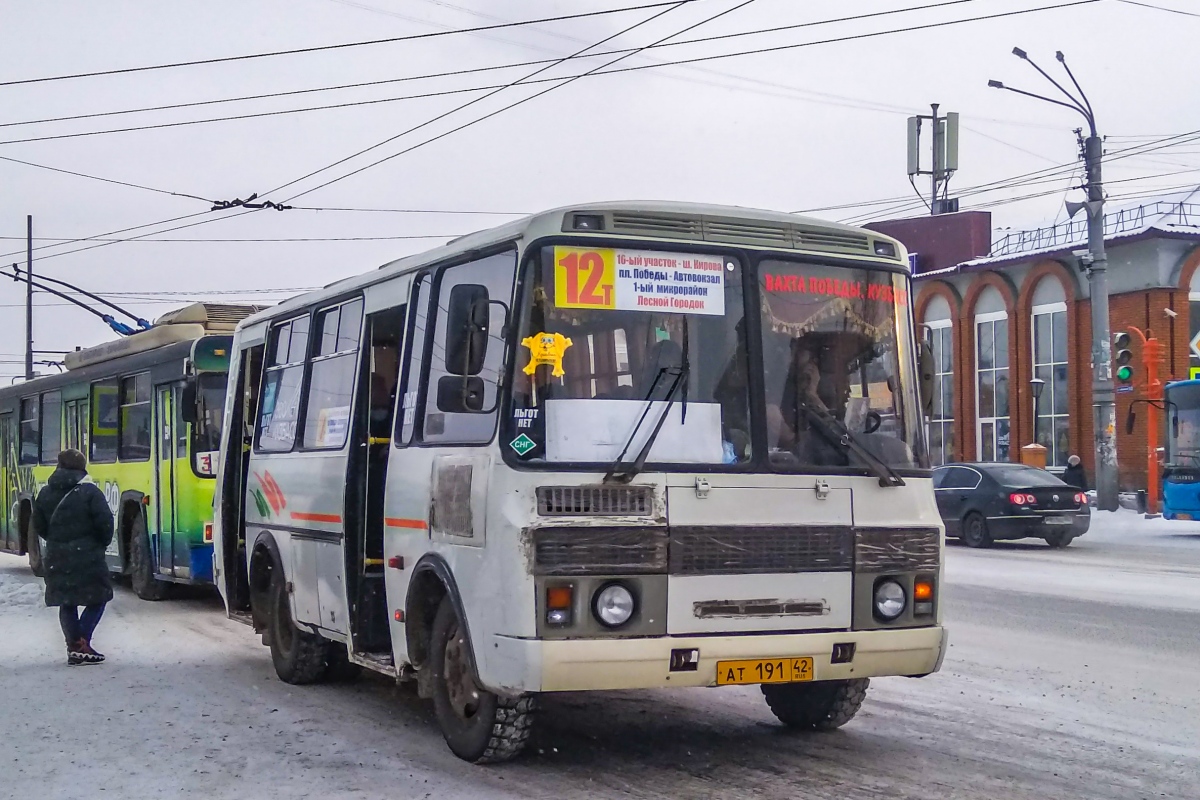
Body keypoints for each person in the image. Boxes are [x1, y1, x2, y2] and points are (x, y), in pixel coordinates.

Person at [35, 449, 115, 666]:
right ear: (81, 468)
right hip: (88, 556)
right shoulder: (90, 493)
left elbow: (40, 527)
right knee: (99, 598)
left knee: (66, 601)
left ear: (59, 466)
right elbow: (105, 524)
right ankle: (82, 643)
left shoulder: (44, 494)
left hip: (56, 555)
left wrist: (58, 542)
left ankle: (74, 645)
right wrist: (98, 544)